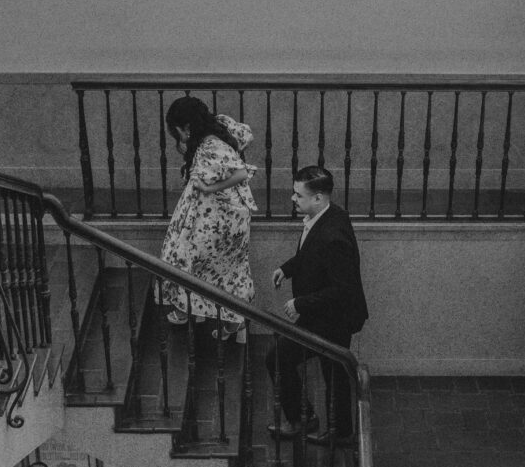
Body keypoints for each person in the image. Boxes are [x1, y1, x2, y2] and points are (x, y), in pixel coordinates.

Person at [265, 166, 368, 445]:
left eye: (298, 195)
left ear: (319, 197)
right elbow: (311, 255)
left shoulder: (334, 236)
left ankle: (312, 422)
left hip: (332, 317)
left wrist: (300, 302)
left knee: (279, 357)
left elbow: (342, 289)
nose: (292, 199)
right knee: (332, 372)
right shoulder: (328, 215)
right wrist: (287, 268)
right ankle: (337, 430)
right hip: (325, 315)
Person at [156, 96, 257, 342]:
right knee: (227, 269)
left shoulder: (211, 144)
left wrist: (210, 188)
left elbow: (242, 172)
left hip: (219, 214)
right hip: (226, 213)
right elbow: (244, 136)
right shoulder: (218, 125)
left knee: (185, 256)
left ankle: (189, 310)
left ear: (186, 127)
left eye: (177, 130)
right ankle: (232, 320)